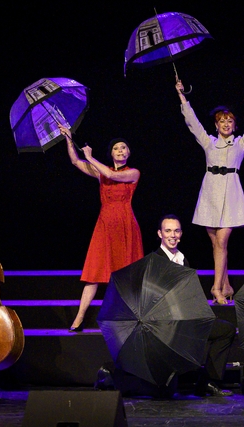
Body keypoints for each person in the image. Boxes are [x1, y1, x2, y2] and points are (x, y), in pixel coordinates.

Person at [175, 77, 244, 305]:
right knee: (216, 245)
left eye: (229, 121)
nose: (225, 124)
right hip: (210, 194)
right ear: (216, 125)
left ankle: (216, 289)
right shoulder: (209, 142)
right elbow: (192, 122)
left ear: (234, 125)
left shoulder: (240, 143)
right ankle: (227, 285)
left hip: (231, 195)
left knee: (221, 243)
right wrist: (182, 96)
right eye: (221, 121)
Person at [58, 124, 144, 332]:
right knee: (94, 272)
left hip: (125, 226)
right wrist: (69, 138)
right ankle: (79, 318)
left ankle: (132, 318)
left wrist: (91, 157)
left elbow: (112, 175)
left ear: (129, 152)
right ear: (111, 153)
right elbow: (75, 161)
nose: (120, 151)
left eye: (123, 148)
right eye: (116, 148)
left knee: (126, 275)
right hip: (104, 227)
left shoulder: (133, 173)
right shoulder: (102, 173)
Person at [155, 214, 235, 396]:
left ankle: (208, 382)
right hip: (169, 325)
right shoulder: (155, 261)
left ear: (181, 234)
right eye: (168, 231)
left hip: (187, 320)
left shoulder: (183, 259)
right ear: (160, 234)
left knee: (225, 330)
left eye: (176, 231)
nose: (173, 235)